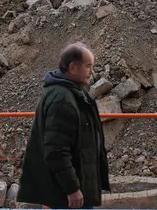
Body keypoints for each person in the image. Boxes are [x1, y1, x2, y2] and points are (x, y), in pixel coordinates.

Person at [18, 43, 110, 209]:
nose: (92, 71)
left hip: (73, 186)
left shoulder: (71, 91)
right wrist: (72, 188)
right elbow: (56, 150)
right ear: (73, 67)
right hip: (67, 195)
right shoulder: (62, 99)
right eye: (88, 66)